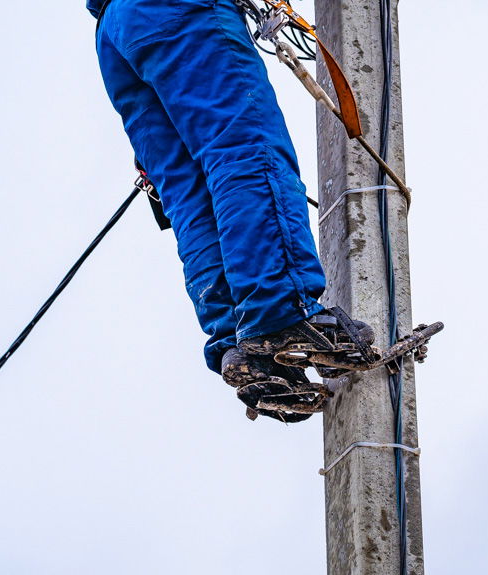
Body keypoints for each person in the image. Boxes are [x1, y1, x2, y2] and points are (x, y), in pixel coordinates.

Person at [88, 0, 374, 422]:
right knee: (244, 148)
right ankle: (280, 311)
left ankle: (241, 347)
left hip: (114, 30)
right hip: (179, 10)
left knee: (189, 196)